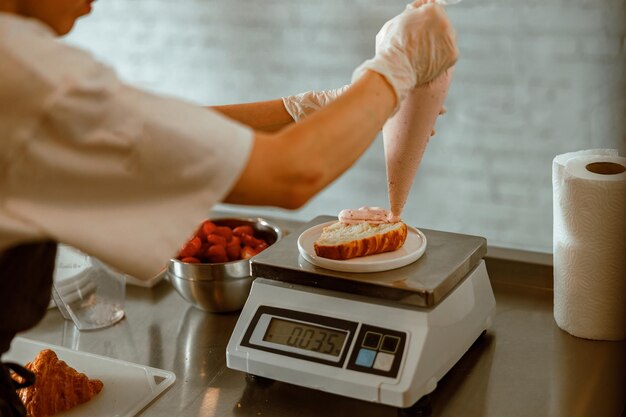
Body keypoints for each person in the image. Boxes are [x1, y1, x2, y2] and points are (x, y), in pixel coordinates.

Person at [0, 0, 457, 415]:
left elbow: (159, 134)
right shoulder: (23, 69)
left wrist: (307, 109)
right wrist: (393, 70)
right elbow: (291, 174)